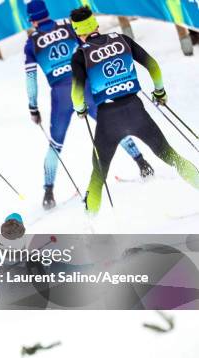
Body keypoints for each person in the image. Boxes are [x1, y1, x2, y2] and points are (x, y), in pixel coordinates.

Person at [24, 0, 152, 210]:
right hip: (84, 86)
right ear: (46, 13)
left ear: (32, 21)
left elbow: (30, 79)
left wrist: (33, 107)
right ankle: (142, 163)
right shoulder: (67, 28)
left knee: (55, 144)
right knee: (112, 126)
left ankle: (48, 193)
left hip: (60, 96)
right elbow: (90, 47)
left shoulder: (32, 44)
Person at [69, 6, 199, 213]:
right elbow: (153, 66)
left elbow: (76, 93)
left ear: (78, 32)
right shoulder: (122, 40)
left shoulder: (80, 55)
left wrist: (80, 109)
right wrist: (159, 92)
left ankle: (90, 225)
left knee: (98, 175)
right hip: (136, 111)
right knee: (171, 156)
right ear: (95, 25)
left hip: (108, 119)